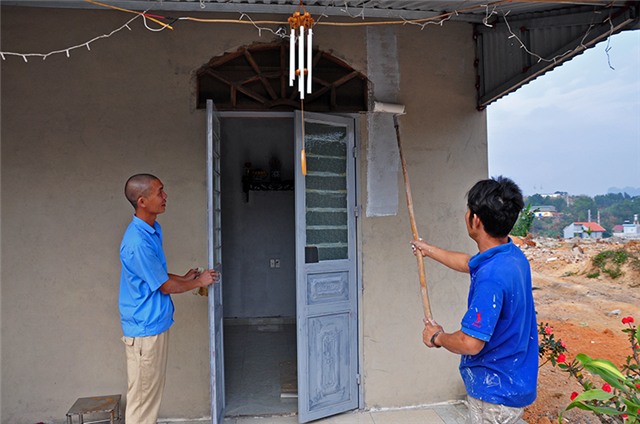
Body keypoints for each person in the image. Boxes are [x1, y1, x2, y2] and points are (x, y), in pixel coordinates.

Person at [412, 176, 538, 424]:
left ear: (475, 219)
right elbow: (469, 264)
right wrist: (428, 250)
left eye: (468, 209)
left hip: (495, 395)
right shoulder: (509, 256)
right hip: (512, 381)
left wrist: (437, 337)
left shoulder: (491, 278)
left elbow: (470, 343)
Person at [119, 173, 219, 424]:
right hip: (144, 333)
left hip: (154, 326)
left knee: (149, 398)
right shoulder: (138, 242)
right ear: (142, 201)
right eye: (160, 192)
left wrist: (186, 278)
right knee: (142, 405)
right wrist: (198, 282)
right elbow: (163, 286)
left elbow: (156, 275)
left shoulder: (152, 230)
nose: (165, 197)